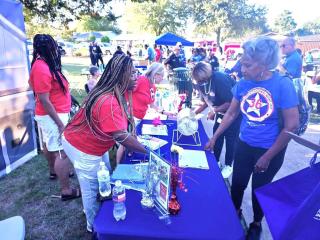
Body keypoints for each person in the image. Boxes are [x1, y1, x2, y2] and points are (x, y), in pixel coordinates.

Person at [205, 36, 299, 239]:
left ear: (264, 64)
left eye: (247, 65)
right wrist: (215, 137)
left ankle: (256, 223)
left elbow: (292, 125)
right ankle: (234, 213)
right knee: (238, 183)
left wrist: (267, 156)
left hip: (270, 149)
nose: (242, 69)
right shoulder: (243, 84)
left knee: (260, 189)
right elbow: (231, 113)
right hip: (244, 144)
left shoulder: (283, 84)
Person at [62, 54, 147, 232]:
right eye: (132, 74)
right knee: (91, 188)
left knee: (106, 178)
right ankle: (93, 227)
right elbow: (121, 136)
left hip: (92, 143)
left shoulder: (117, 92)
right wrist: (147, 151)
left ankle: (102, 210)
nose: (136, 77)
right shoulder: (108, 101)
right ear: (121, 76)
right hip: (82, 146)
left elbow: (126, 124)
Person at [29, 34, 80, 201]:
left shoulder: (41, 64)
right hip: (53, 116)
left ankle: (54, 171)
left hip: (51, 114)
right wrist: (59, 124)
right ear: (48, 48)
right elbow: (44, 99)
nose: (56, 49)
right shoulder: (41, 67)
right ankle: (66, 189)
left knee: (48, 145)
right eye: (54, 46)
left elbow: (33, 86)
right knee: (61, 152)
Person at [193, 62, 241, 178]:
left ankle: (229, 165)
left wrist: (214, 110)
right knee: (217, 136)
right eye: (198, 81)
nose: (200, 83)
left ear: (206, 75)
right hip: (220, 112)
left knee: (231, 139)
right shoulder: (201, 83)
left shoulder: (220, 79)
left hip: (234, 113)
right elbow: (206, 101)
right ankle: (216, 161)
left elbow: (230, 103)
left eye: (201, 81)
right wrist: (193, 113)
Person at [116, 62, 166, 163]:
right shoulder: (142, 80)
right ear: (156, 74)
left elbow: (152, 104)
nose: (163, 79)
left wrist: (165, 112)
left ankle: (128, 156)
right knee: (124, 143)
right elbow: (124, 91)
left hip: (139, 118)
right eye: (162, 76)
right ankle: (117, 167)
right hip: (130, 117)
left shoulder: (153, 86)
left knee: (132, 141)